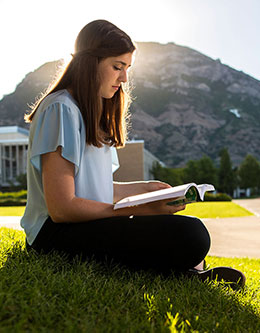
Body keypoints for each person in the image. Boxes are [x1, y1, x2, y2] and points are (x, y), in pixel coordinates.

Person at [21, 19, 245, 287]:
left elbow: (96, 188)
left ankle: (185, 269)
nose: (124, 78)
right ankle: (186, 269)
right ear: (90, 63)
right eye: (117, 67)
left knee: (186, 229)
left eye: (127, 68)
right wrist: (143, 210)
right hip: (54, 235)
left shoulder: (92, 114)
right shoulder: (61, 109)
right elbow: (62, 208)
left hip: (83, 227)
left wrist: (146, 189)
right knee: (192, 233)